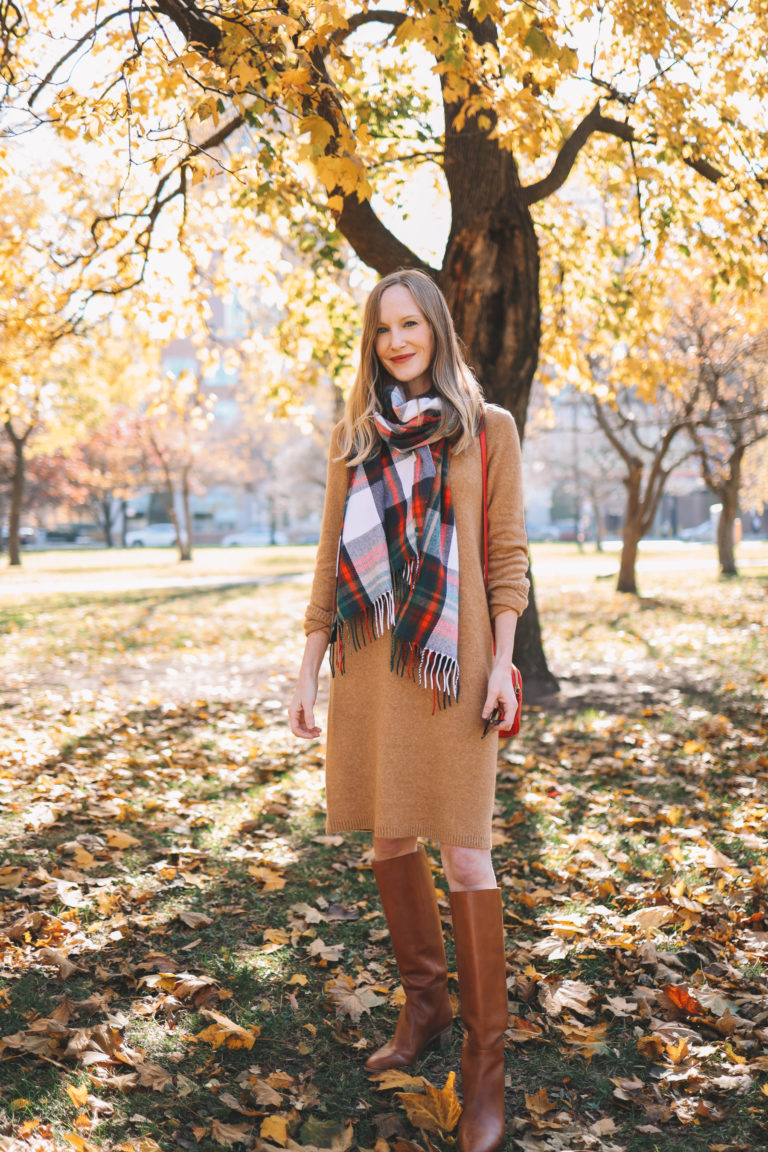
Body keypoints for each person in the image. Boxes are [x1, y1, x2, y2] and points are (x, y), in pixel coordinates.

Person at [289, 268, 529, 1152]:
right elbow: (327, 558)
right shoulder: (357, 437)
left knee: (467, 855)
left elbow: (508, 559)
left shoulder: (487, 430)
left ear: (435, 327)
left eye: (409, 324)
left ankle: (485, 1068)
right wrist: (307, 667)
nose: (397, 340)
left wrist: (504, 666)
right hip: (371, 663)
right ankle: (424, 1006)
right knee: (390, 838)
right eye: (382, 328)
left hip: (454, 666)